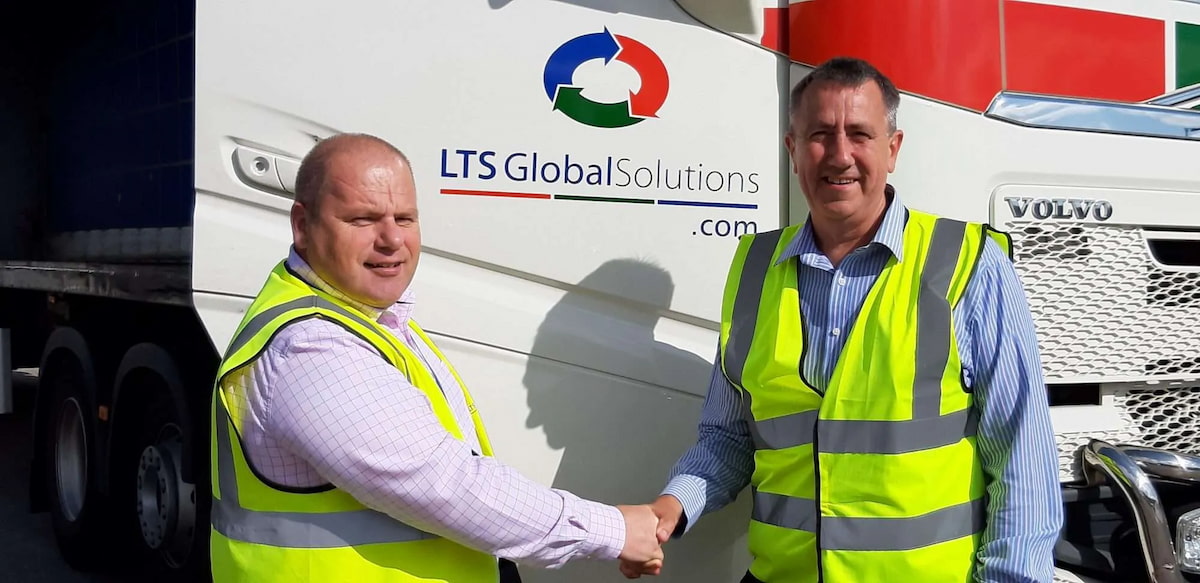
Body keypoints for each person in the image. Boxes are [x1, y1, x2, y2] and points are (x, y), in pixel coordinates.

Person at [620, 57, 1063, 582]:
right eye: (820, 134)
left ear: (892, 150)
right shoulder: (755, 270)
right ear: (792, 150)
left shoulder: (967, 264)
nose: (840, 154)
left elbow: (1022, 458)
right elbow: (730, 436)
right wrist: (672, 506)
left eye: (859, 133)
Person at [208, 133, 664, 582]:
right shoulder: (309, 348)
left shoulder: (373, 320)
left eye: (405, 218)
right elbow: (448, 486)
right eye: (363, 219)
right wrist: (614, 530)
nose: (391, 239)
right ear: (302, 226)